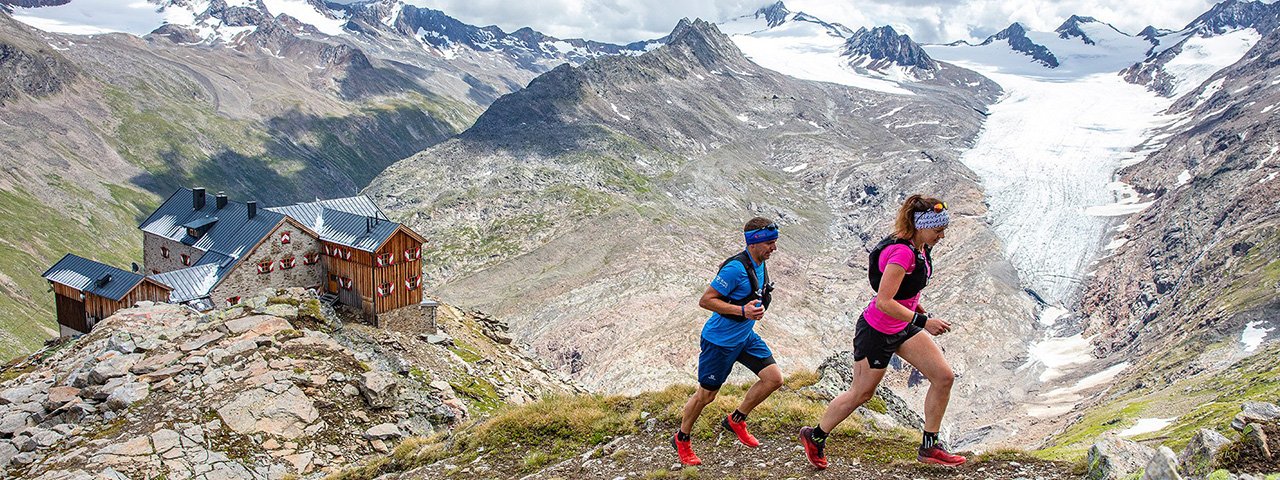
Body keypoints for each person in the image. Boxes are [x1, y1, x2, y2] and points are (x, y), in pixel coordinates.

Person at [798, 195, 966, 469]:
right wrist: (923, 322)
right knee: (861, 393)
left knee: (944, 377)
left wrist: (918, 311)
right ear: (921, 226)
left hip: (903, 326)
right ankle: (814, 436)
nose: (942, 235)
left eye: (943, 230)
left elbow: (906, 290)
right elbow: (884, 301)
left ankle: (929, 447)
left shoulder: (921, 247)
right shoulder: (902, 252)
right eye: (938, 230)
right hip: (876, 331)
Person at [672, 217, 785, 466]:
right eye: (769, 243)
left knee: (773, 379)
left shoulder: (759, 263)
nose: (774, 248)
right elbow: (706, 300)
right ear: (754, 243)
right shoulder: (735, 269)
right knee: (706, 396)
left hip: (745, 337)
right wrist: (743, 312)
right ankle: (682, 438)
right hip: (720, 342)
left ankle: (736, 419)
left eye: (775, 242)